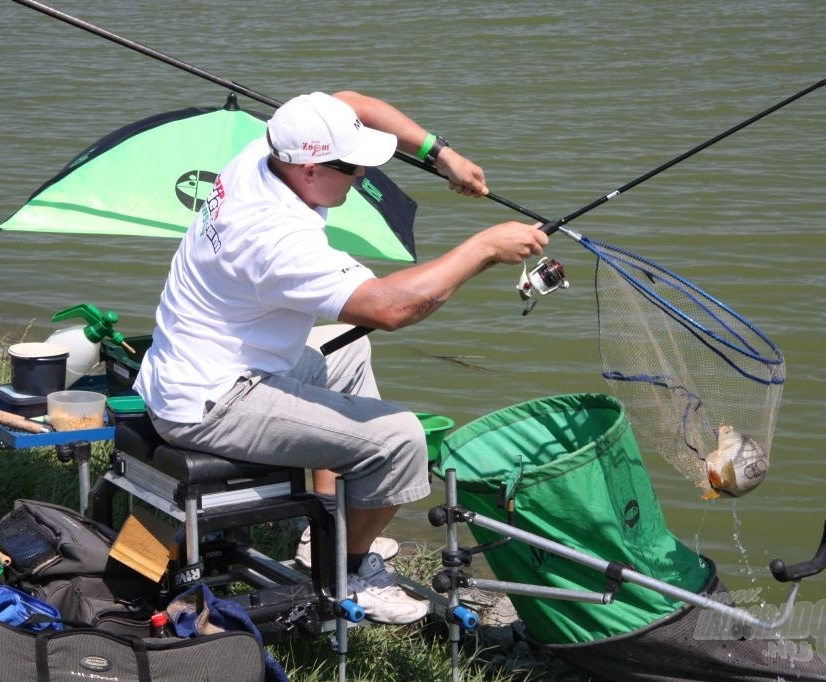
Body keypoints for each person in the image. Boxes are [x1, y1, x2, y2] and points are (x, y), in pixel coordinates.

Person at [134, 90, 547, 624]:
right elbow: (390, 308)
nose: (361, 178)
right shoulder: (275, 237)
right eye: (352, 167)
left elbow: (349, 100)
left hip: (199, 359)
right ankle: (348, 572)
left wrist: (442, 155)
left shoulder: (264, 150)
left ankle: (324, 526)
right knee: (401, 439)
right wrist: (484, 248)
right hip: (211, 400)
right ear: (310, 170)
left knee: (351, 349)